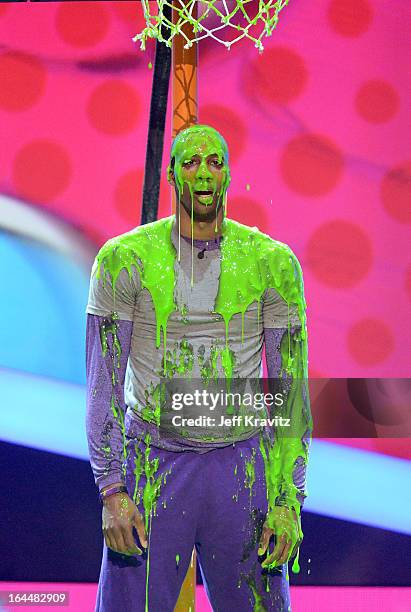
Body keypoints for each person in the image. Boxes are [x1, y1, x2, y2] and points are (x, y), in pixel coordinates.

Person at [85, 125, 312, 611]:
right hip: (152, 462)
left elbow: (289, 391)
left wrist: (289, 498)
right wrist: (111, 490)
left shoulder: (272, 264)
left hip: (243, 468)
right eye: (190, 162)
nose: (203, 172)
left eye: (214, 161)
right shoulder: (125, 260)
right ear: (170, 175)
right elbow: (102, 383)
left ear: (228, 175)